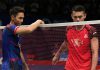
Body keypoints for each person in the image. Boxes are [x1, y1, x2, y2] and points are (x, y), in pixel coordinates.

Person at [52, 5, 99, 70]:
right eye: (75, 17)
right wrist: (57, 54)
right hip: (69, 67)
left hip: (85, 68)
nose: (77, 19)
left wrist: (93, 69)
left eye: (80, 17)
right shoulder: (68, 28)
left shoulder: (91, 30)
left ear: (85, 15)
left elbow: (95, 52)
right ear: (72, 16)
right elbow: (66, 43)